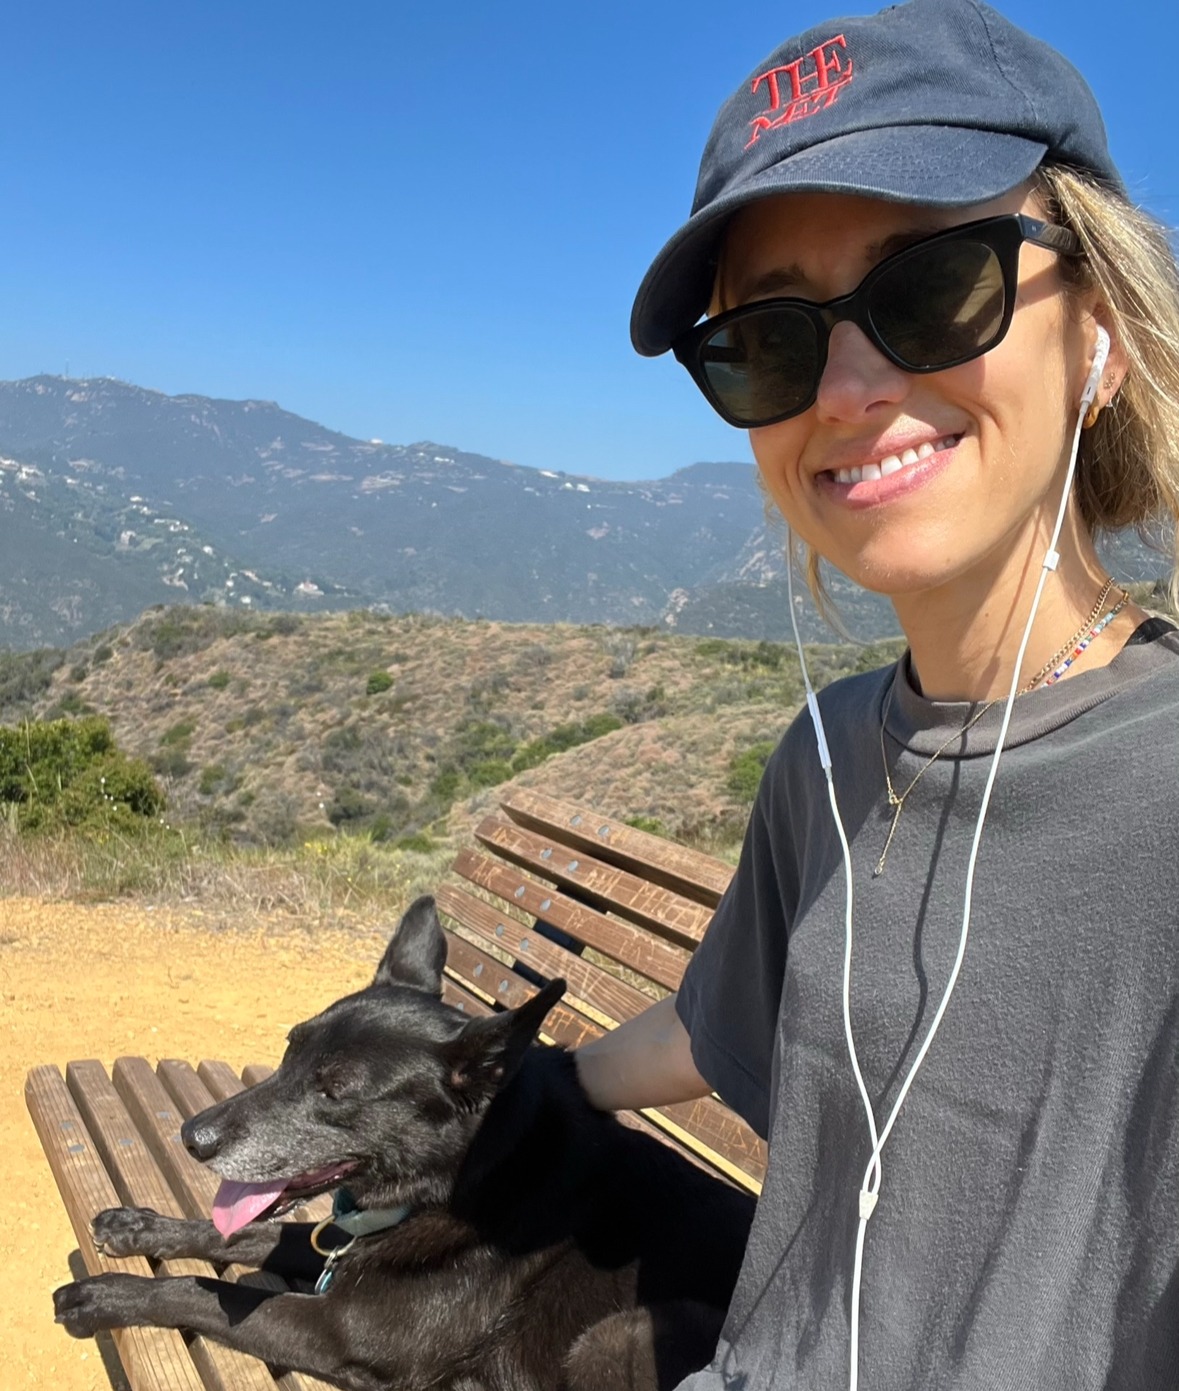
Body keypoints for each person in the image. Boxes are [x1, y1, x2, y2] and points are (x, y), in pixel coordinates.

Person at [574, 2, 1179, 1388]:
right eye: (769, 339)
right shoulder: (831, 755)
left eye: (934, 284)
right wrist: (513, 1085)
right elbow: (720, 1021)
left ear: (1100, 333)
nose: (847, 390)